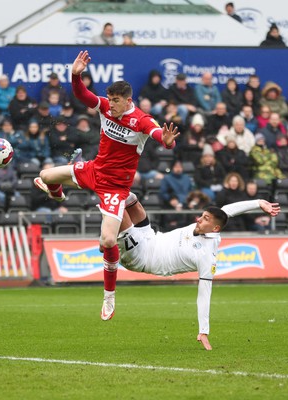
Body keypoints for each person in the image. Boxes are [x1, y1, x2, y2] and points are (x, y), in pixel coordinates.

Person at [34, 50, 179, 321]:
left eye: (115, 101)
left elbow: (157, 134)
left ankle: (109, 297)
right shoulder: (105, 108)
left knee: (108, 240)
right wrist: (75, 75)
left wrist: (167, 140)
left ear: (128, 100)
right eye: (109, 99)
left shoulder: (141, 120)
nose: (110, 105)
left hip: (114, 187)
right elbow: (83, 96)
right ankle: (59, 197)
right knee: (45, 174)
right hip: (93, 170)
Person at [117, 192, 280, 350]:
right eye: (202, 215)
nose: (199, 219)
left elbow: (204, 294)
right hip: (151, 237)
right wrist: (258, 203)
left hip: (141, 258)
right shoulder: (210, 223)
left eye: (205, 219)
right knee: (130, 199)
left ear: (215, 228)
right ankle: (108, 230)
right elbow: (227, 210)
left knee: (119, 209)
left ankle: (108, 239)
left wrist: (204, 331)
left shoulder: (207, 257)